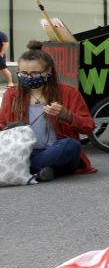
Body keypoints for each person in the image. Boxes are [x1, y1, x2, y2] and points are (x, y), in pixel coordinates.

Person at [0, 42, 96, 181]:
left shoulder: (68, 92)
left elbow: (89, 126)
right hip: (25, 151)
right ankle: (42, 172)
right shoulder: (12, 95)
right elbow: (2, 125)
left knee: (71, 145)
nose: (28, 77)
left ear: (48, 71)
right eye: (23, 74)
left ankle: (25, 169)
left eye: (34, 73)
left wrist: (67, 115)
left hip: (57, 151)